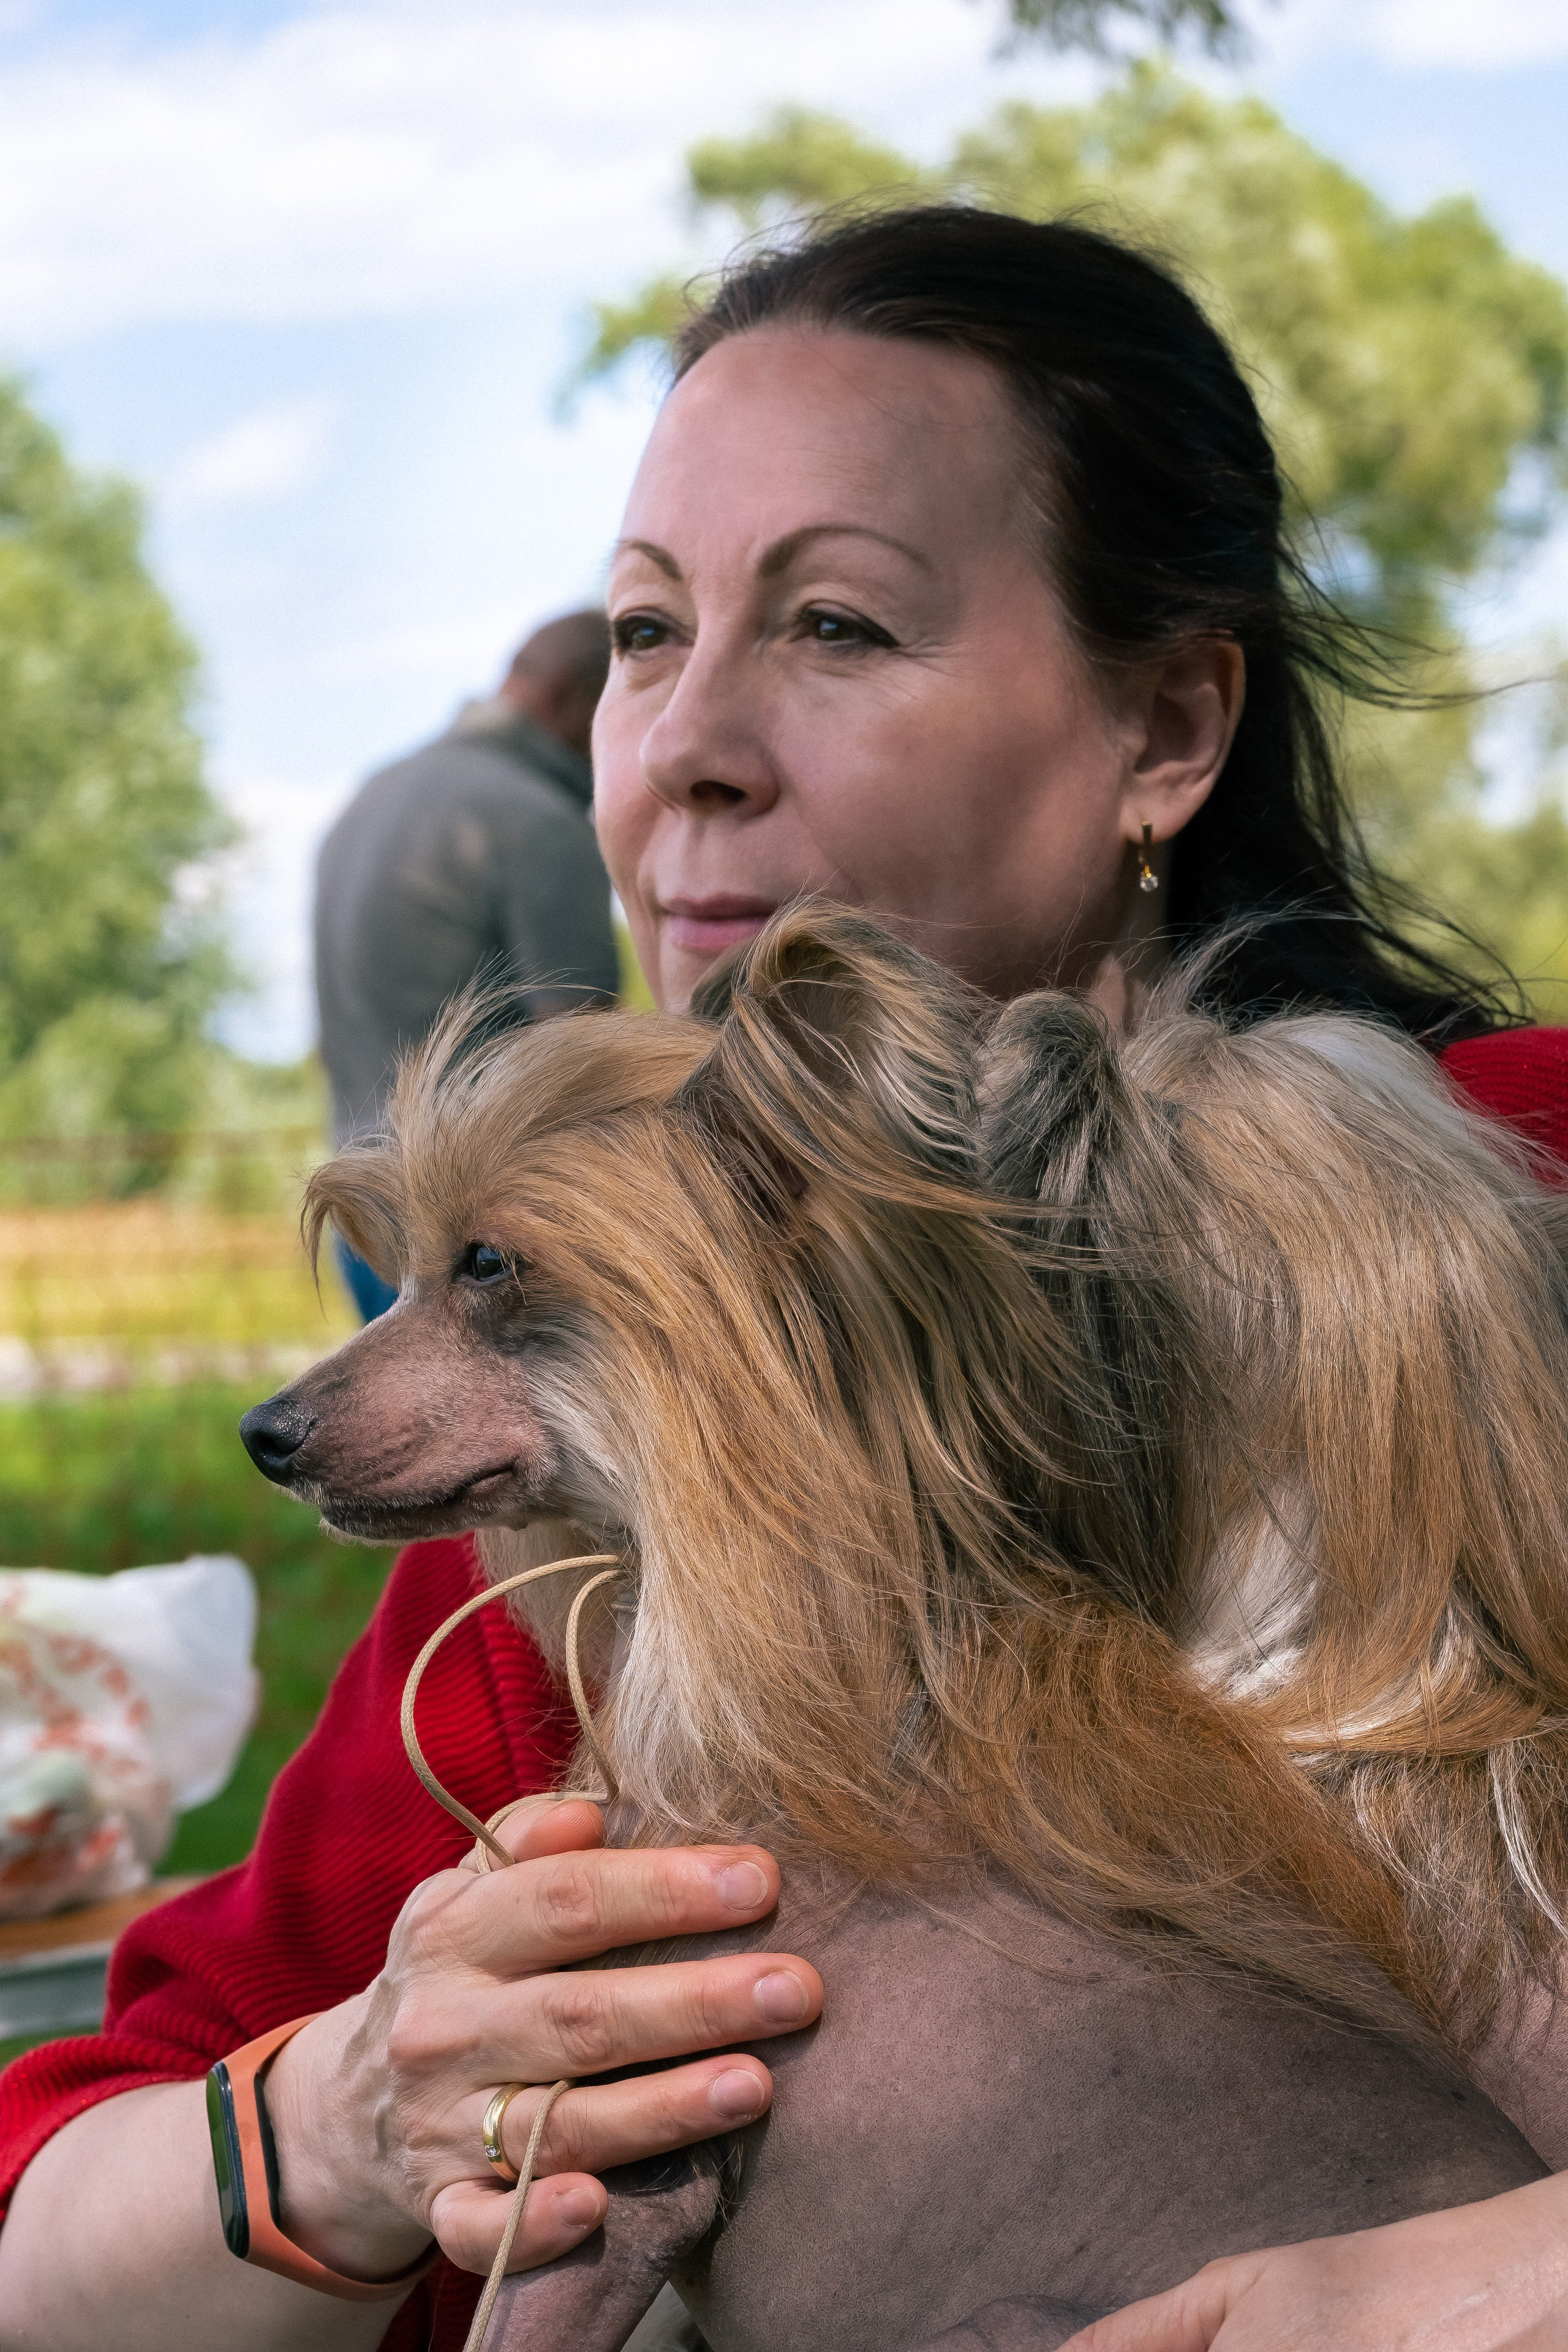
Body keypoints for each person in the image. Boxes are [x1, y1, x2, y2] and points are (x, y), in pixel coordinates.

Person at [4, 205, 1568, 2352]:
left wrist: (1450, 2277)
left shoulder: (1518, 1183)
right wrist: (346, 2129)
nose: (687, 752)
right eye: (647, 638)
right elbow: (55, 2229)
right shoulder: (580, 1450)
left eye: (836, 626)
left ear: (1172, 728)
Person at [315, 609, 622, 1320]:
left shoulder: (377, 792)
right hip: (476, 1246)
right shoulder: (535, 820)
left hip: (361, 1212)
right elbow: (585, 1061)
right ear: (568, 700)